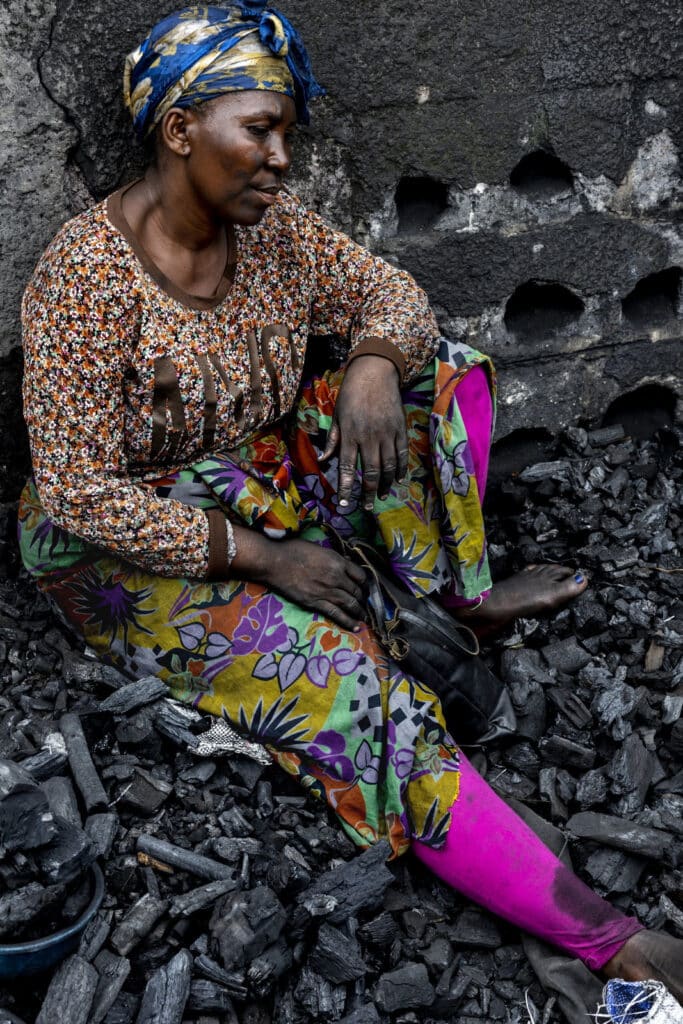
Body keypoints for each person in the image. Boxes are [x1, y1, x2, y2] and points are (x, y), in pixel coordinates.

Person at [18, 1, 682, 1002]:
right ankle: (599, 936)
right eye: (260, 129)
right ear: (179, 129)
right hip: (129, 546)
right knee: (349, 686)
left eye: (287, 132)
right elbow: (74, 493)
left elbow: (395, 301)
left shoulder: (275, 236)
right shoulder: (84, 277)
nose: (281, 157)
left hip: (257, 476)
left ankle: (448, 595)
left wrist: (371, 360)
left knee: (437, 373)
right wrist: (268, 561)